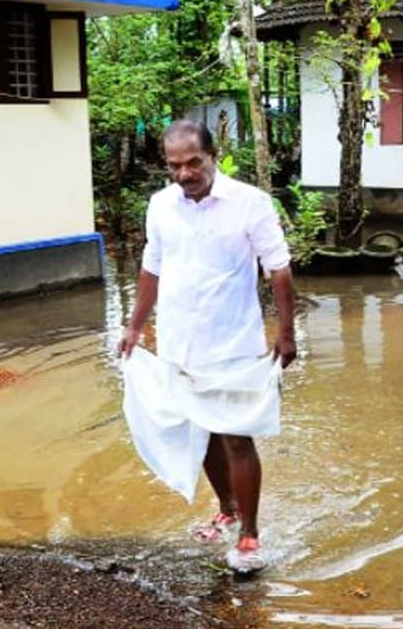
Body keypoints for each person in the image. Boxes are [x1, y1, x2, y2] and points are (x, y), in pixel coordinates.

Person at [119, 120, 296, 572]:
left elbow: (279, 268)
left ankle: (251, 534)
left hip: (233, 341)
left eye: (193, 163)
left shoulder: (249, 203)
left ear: (213, 155)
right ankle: (227, 508)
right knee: (202, 428)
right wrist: (136, 327)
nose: (184, 174)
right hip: (180, 341)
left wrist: (286, 332)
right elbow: (151, 268)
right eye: (175, 165)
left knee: (236, 435)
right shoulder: (160, 206)